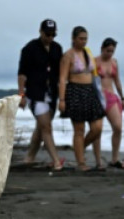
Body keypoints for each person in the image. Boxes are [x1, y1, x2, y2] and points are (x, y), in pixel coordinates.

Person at [18, 19, 64, 170]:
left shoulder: (57, 49)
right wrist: (22, 95)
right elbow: (22, 74)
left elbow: (60, 73)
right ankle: (56, 161)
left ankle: (29, 157)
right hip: (35, 93)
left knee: (41, 127)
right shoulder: (29, 49)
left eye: (53, 35)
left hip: (52, 94)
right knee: (46, 127)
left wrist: (63, 95)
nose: (50, 38)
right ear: (40, 31)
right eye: (47, 34)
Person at [59, 26, 106, 171]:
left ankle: (80, 148)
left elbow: (94, 75)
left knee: (97, 128)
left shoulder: (88, 53)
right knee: (79, 129)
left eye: (85, 39)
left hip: (90, 91)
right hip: (75, 91)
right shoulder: (68, 55)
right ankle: (81, 163)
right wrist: (62, 100)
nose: (83, 41)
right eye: (80, 38)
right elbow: (62, 79)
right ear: (73, 39)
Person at [92, 37, 124, 169]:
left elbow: (117, 80)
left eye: (112, 51)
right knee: (97, 130)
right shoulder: (94, 61)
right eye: (108, 50)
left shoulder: (114, 62)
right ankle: (98, 161)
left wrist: (122, 97)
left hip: (111, 97)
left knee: (118, 127)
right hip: (98, 97)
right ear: (102, 49)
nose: (110, 53)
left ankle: (115, 158)